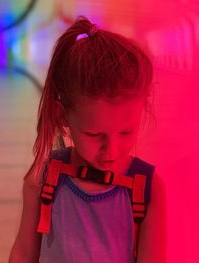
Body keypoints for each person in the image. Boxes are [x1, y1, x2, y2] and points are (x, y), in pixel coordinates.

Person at [9, 16, 167, 263]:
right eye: (94, 135)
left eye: (126, 132)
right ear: (62, 117)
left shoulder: (147, 188)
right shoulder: (43, 178)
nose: (111, 150)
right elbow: (23, 253)